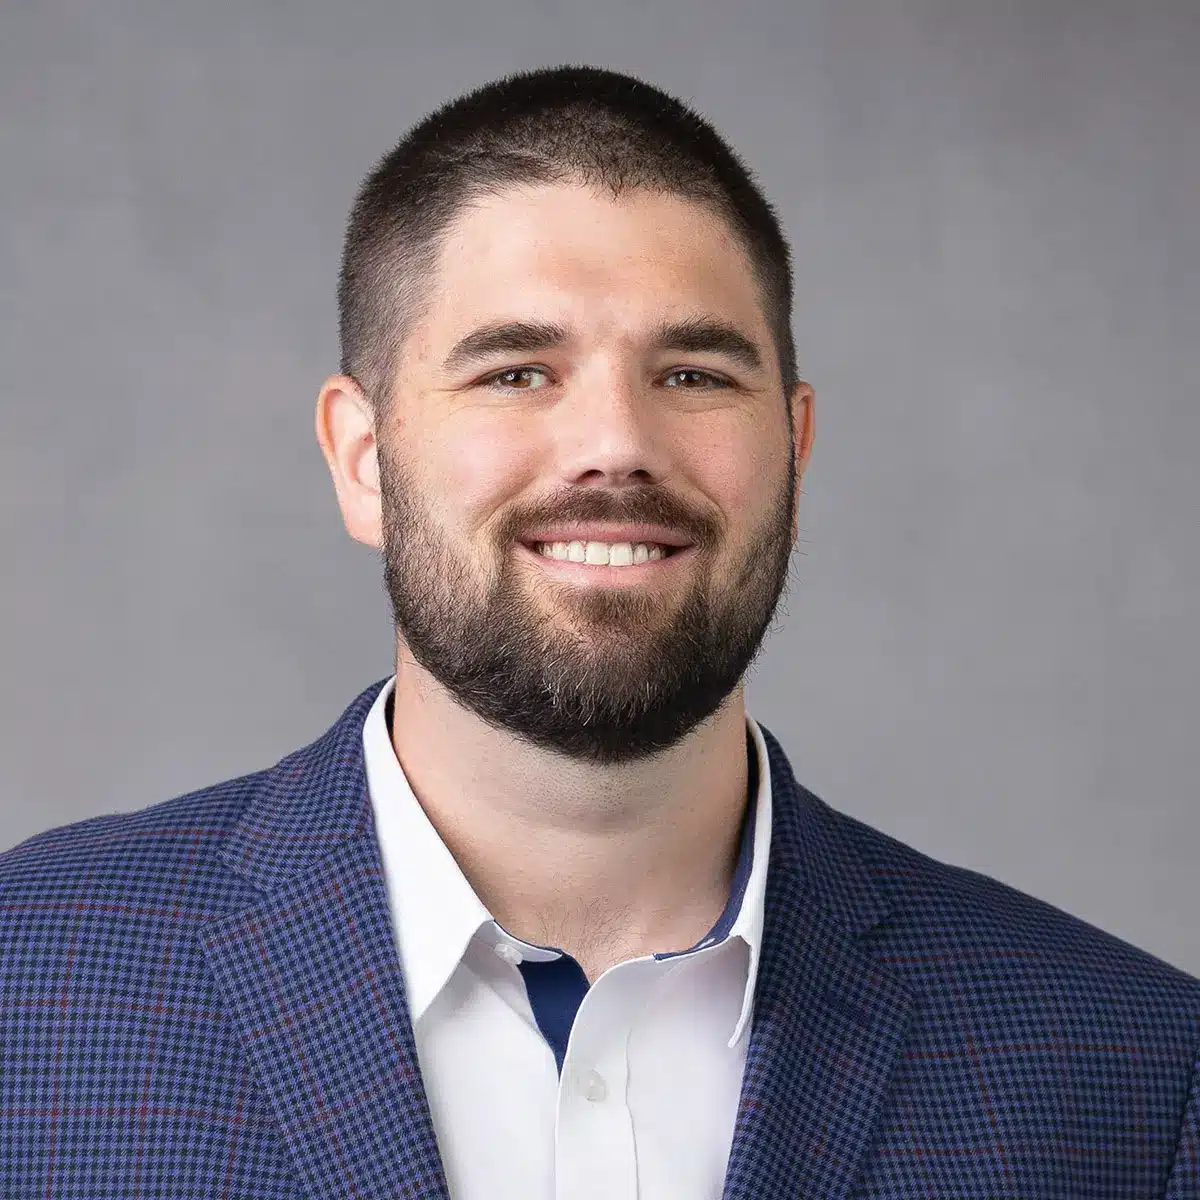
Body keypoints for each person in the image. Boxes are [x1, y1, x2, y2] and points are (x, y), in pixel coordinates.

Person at [1, 63, 1196, 1200]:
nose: (614, 444)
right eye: (518, 372)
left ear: (796, 446)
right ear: (364, 462)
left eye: (692, 375)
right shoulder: (31, 986)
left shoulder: (1133, 1076)